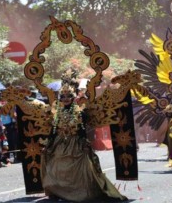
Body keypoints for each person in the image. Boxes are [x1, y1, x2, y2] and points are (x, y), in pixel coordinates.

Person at [40, 73, 127, 202]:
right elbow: (53, 130)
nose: (65, 99)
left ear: (73, 97)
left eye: (68, 96)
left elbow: (82, 130)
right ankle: (61, 191)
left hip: (76, 143)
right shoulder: (56, 112)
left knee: (78, 169)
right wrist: (47, 145)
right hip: (60, 142)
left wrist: (85, 144)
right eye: (62, 96)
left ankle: (78, 192)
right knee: (56, 166)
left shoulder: (80, 112)